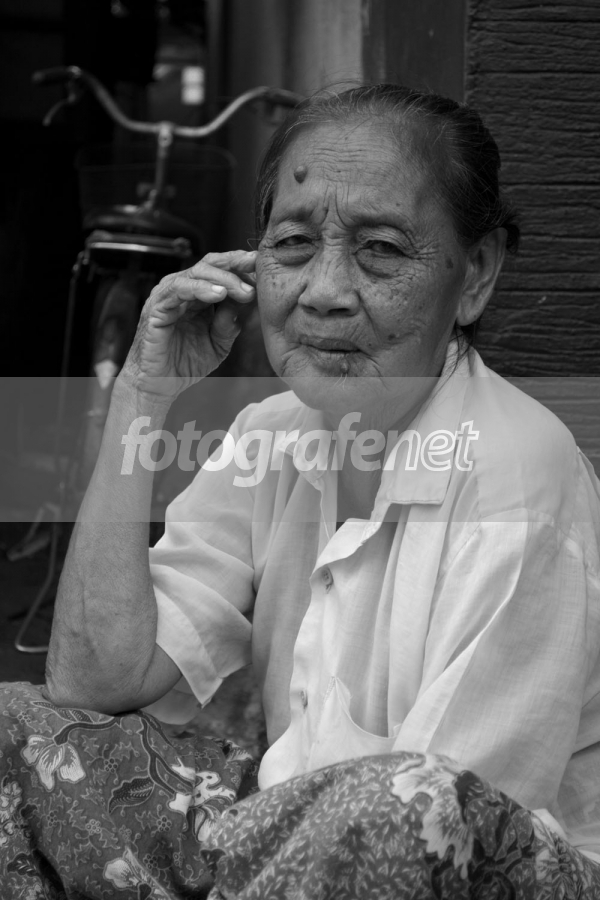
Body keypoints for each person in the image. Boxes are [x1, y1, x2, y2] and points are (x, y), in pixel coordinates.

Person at [2, 83, 600, 899]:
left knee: (402, 804)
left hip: (471, 872)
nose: (323, 290)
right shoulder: (273, 433)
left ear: (475, 274)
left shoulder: (517, 475)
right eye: (292, 244)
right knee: (19, 731)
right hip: (296, 829)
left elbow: (441, 826)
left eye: (380, 249)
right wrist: (143, 395)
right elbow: (94, 679)